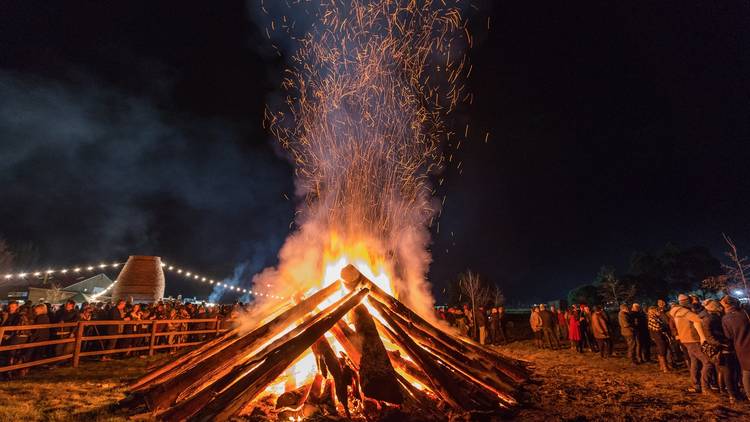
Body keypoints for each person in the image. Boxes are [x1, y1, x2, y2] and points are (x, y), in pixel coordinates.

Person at [670, 293, 711, 394]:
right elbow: (699, 320)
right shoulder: (685, 312)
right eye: (690, 301)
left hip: (685, 340)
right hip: (692, 340)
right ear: (686, 302)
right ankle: (705, 387)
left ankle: (695, 385)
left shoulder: (676, 312)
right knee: (708, 362)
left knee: (695, 362)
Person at [701, 299, 737, 402]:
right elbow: (710, 337)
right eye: (718, 305)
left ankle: (726, 391)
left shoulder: (714, 317)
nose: (721, 307)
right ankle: (732, 395)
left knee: (723, 370)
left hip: (721, 346)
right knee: (726, 371)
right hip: (719, 348)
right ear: (714, 307)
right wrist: (722, 344)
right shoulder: (710, 319)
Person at [721, 295, 750, 399]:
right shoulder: (745, 313)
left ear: (727, 305)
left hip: (740, 347)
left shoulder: (725, 318)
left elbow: (728, 336)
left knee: (746, 371)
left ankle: (749, 395)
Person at [647, 306, 670, 373]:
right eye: (657, 311)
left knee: (661, 350)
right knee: (662, 351)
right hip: (658, 337)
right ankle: (665, 368)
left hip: (658, 336)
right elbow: (659, 328)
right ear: (653, 312)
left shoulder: (655, 318)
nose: (659, 312)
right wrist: (664, 327)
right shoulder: (652, 319)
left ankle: (662, 366)